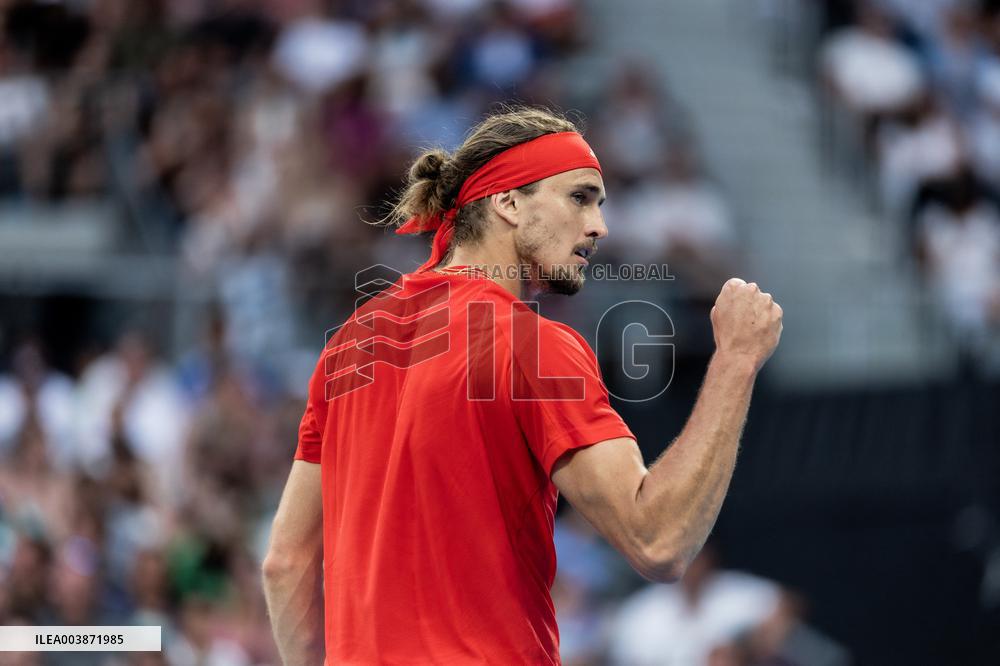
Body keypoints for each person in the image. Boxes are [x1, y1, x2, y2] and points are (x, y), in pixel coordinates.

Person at [261, 106, 783, 664]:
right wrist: (735, 361)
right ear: (508, 203)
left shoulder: (350, 344)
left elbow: (285, 562)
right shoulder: (533, 345)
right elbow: (658, 539)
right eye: (580, 198)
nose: (599, 226)